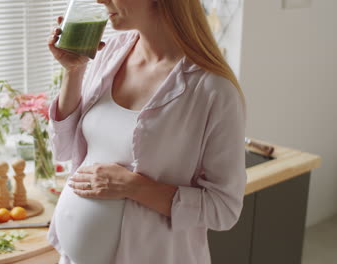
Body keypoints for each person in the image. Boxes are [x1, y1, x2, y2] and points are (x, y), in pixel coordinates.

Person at [46, 0, 247, 263]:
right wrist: (74, 71)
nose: (100, 0)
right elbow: (64, 149)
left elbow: (224, 208)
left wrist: (134, 187)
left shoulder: (213, 91)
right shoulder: (112, 52)